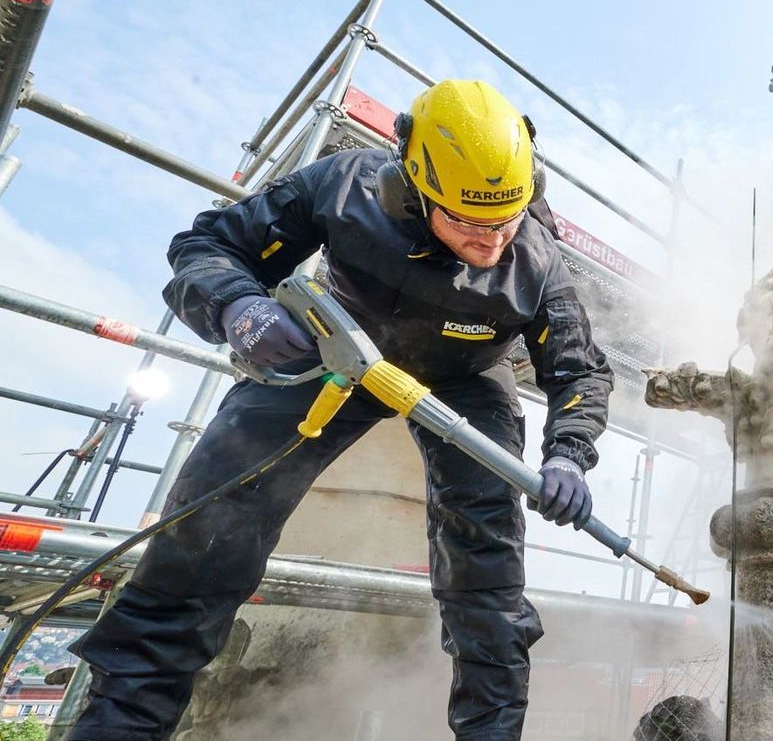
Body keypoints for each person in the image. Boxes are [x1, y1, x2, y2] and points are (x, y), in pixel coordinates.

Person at [68, 80, 613, 741]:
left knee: (487, 560)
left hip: (467, 376)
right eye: (467, 221)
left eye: (504, 220)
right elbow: (208, 246)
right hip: (341, 344)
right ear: (410, 191)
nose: (490, 241)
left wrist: (569, 452)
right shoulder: (342, 185)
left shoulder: (538, 257)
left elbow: (578, 369)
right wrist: (238, 306)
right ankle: (119, 725)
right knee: (216, 517)